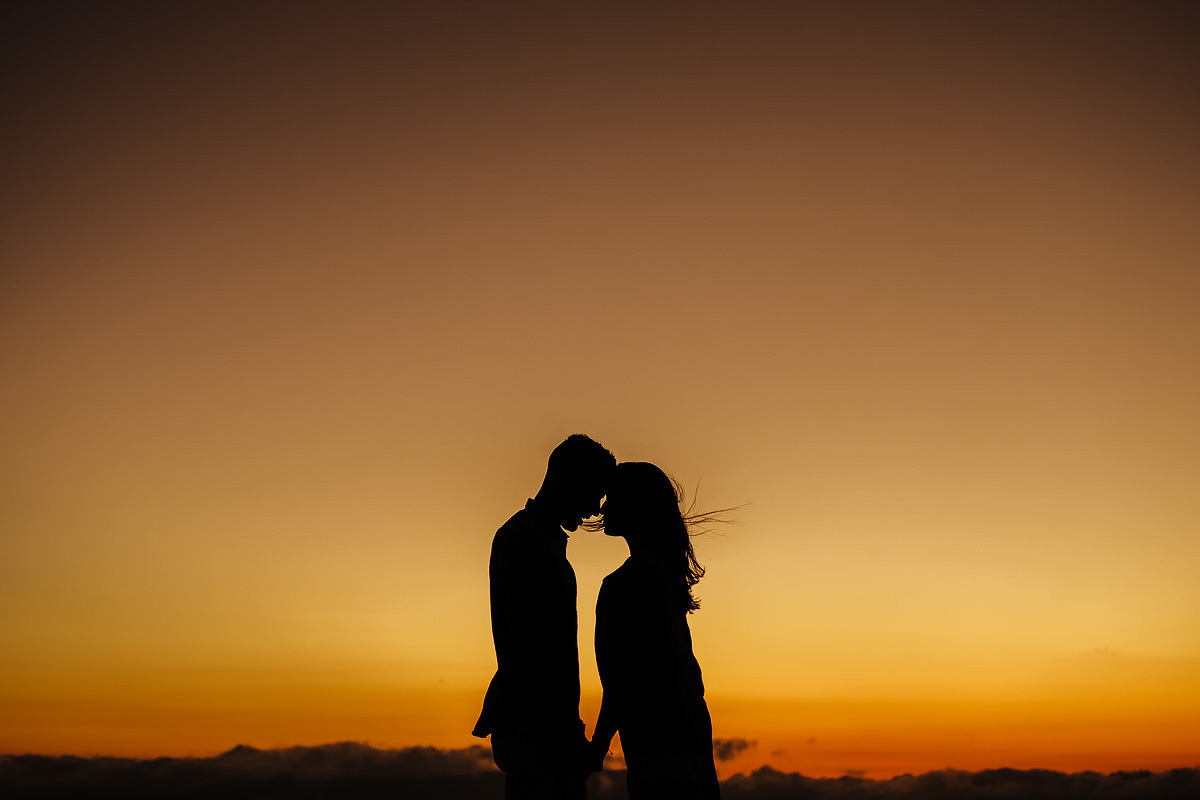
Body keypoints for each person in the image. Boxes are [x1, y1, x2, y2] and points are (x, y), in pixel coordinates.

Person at [473, 434, 617, 800]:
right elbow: (519, 646)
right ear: (570, 481)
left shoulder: (542, 537)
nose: (596, 509)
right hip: (536, 732)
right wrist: (556, 733)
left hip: (550, 728)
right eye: (594, 493)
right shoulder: (520, 538)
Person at [587, 461, 721, 799]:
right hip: (688, 734)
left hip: (658, 746)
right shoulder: (662, 576)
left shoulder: (626, 584)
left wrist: (595, 749)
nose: (603, 507)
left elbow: (621, 682)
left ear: (635, 506)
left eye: (613, 497)